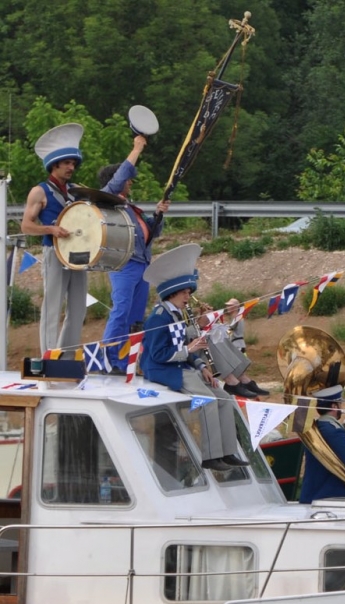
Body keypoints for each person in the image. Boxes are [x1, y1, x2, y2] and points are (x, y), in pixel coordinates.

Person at [140, 243, 248, 472]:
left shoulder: (175, 313)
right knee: (207, 400)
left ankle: (228, 451)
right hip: (162, 369)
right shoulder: (159, 318)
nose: (189, 297)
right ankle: (210, 457)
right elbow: (158, 354)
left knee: (223, 397)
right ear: (173, 292)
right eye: (186, 293)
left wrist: (201, 365)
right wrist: (189, 350)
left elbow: (184, 342)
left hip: (181, 365)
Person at [97, 134, 170, 373]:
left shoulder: (129, 208)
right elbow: (117, 180)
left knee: (135, 316)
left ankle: (126, 361)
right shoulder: (106, 199)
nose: (130, 183)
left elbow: (150, 233)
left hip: (141, 264)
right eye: (128, 179)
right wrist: (136, 149)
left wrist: (158, 215)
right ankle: (109, 359)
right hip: (124, 263)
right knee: (121, 311)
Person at [20, 123, 88, 354]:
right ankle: (49, 356)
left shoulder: (76, 189)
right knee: (51, 308)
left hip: (78, 254)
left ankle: (67, 357)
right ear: (54, 164)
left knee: (79, 309)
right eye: (67, 163)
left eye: (73, 163)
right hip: (54, 252)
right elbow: (26, 226)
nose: (71, 167)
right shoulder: (39, 191)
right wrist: (51, 230)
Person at [299, 383, 345, 503]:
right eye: (340, 404)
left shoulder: (318, 427)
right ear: (334, 406)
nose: (341, 407)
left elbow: (333, 446)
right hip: (329, 494)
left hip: (313, 493)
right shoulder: (334, 431)